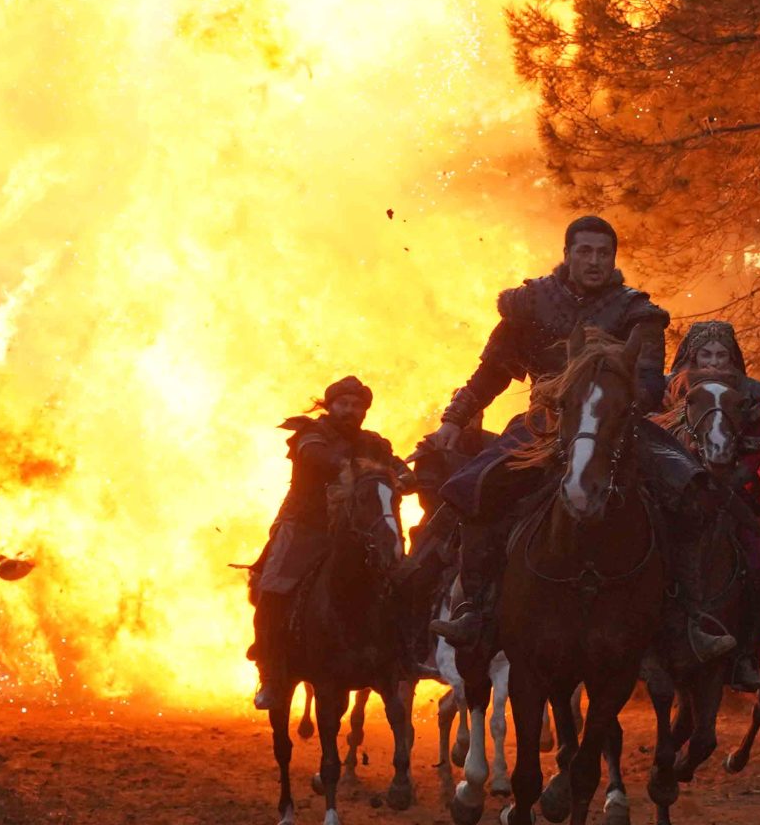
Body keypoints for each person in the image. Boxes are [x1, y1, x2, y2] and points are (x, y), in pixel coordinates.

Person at [424, 215, 733, 663]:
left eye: (603, 252)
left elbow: (648, 385)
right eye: (584, 251)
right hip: (542, 425)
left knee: (688, 490)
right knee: (477, 488)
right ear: (567, 254)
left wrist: (608, 391)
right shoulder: (529, 304)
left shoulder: (636, 312)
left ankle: (686, 618)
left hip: (614, 426)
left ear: (613, 258)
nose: (594, 260)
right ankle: (475, 608)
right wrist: (455, 418)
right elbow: (491, 372)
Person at [248, 375, 401, 711]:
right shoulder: (311, 434)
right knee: (272, 590)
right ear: (331, 406)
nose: (350, 410)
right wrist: (351, 467)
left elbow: (398, 471)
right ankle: (272, 673)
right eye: (344, 404)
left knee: (397, 579)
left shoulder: (373, 443)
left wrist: (403, 477)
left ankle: (402, 659)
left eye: (357, 405)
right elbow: (317, 457)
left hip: (355, 531)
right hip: (305, 526)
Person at [663, 319, 760, 690]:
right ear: (692, 356)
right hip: (675, 489)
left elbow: (754, 449)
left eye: (721, 355)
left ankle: (748, 649)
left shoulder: (750, 397)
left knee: (755, 545)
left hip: (729, 491)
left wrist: (730, 481)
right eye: (706, 354)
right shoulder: (668, 392)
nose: (714, 362)